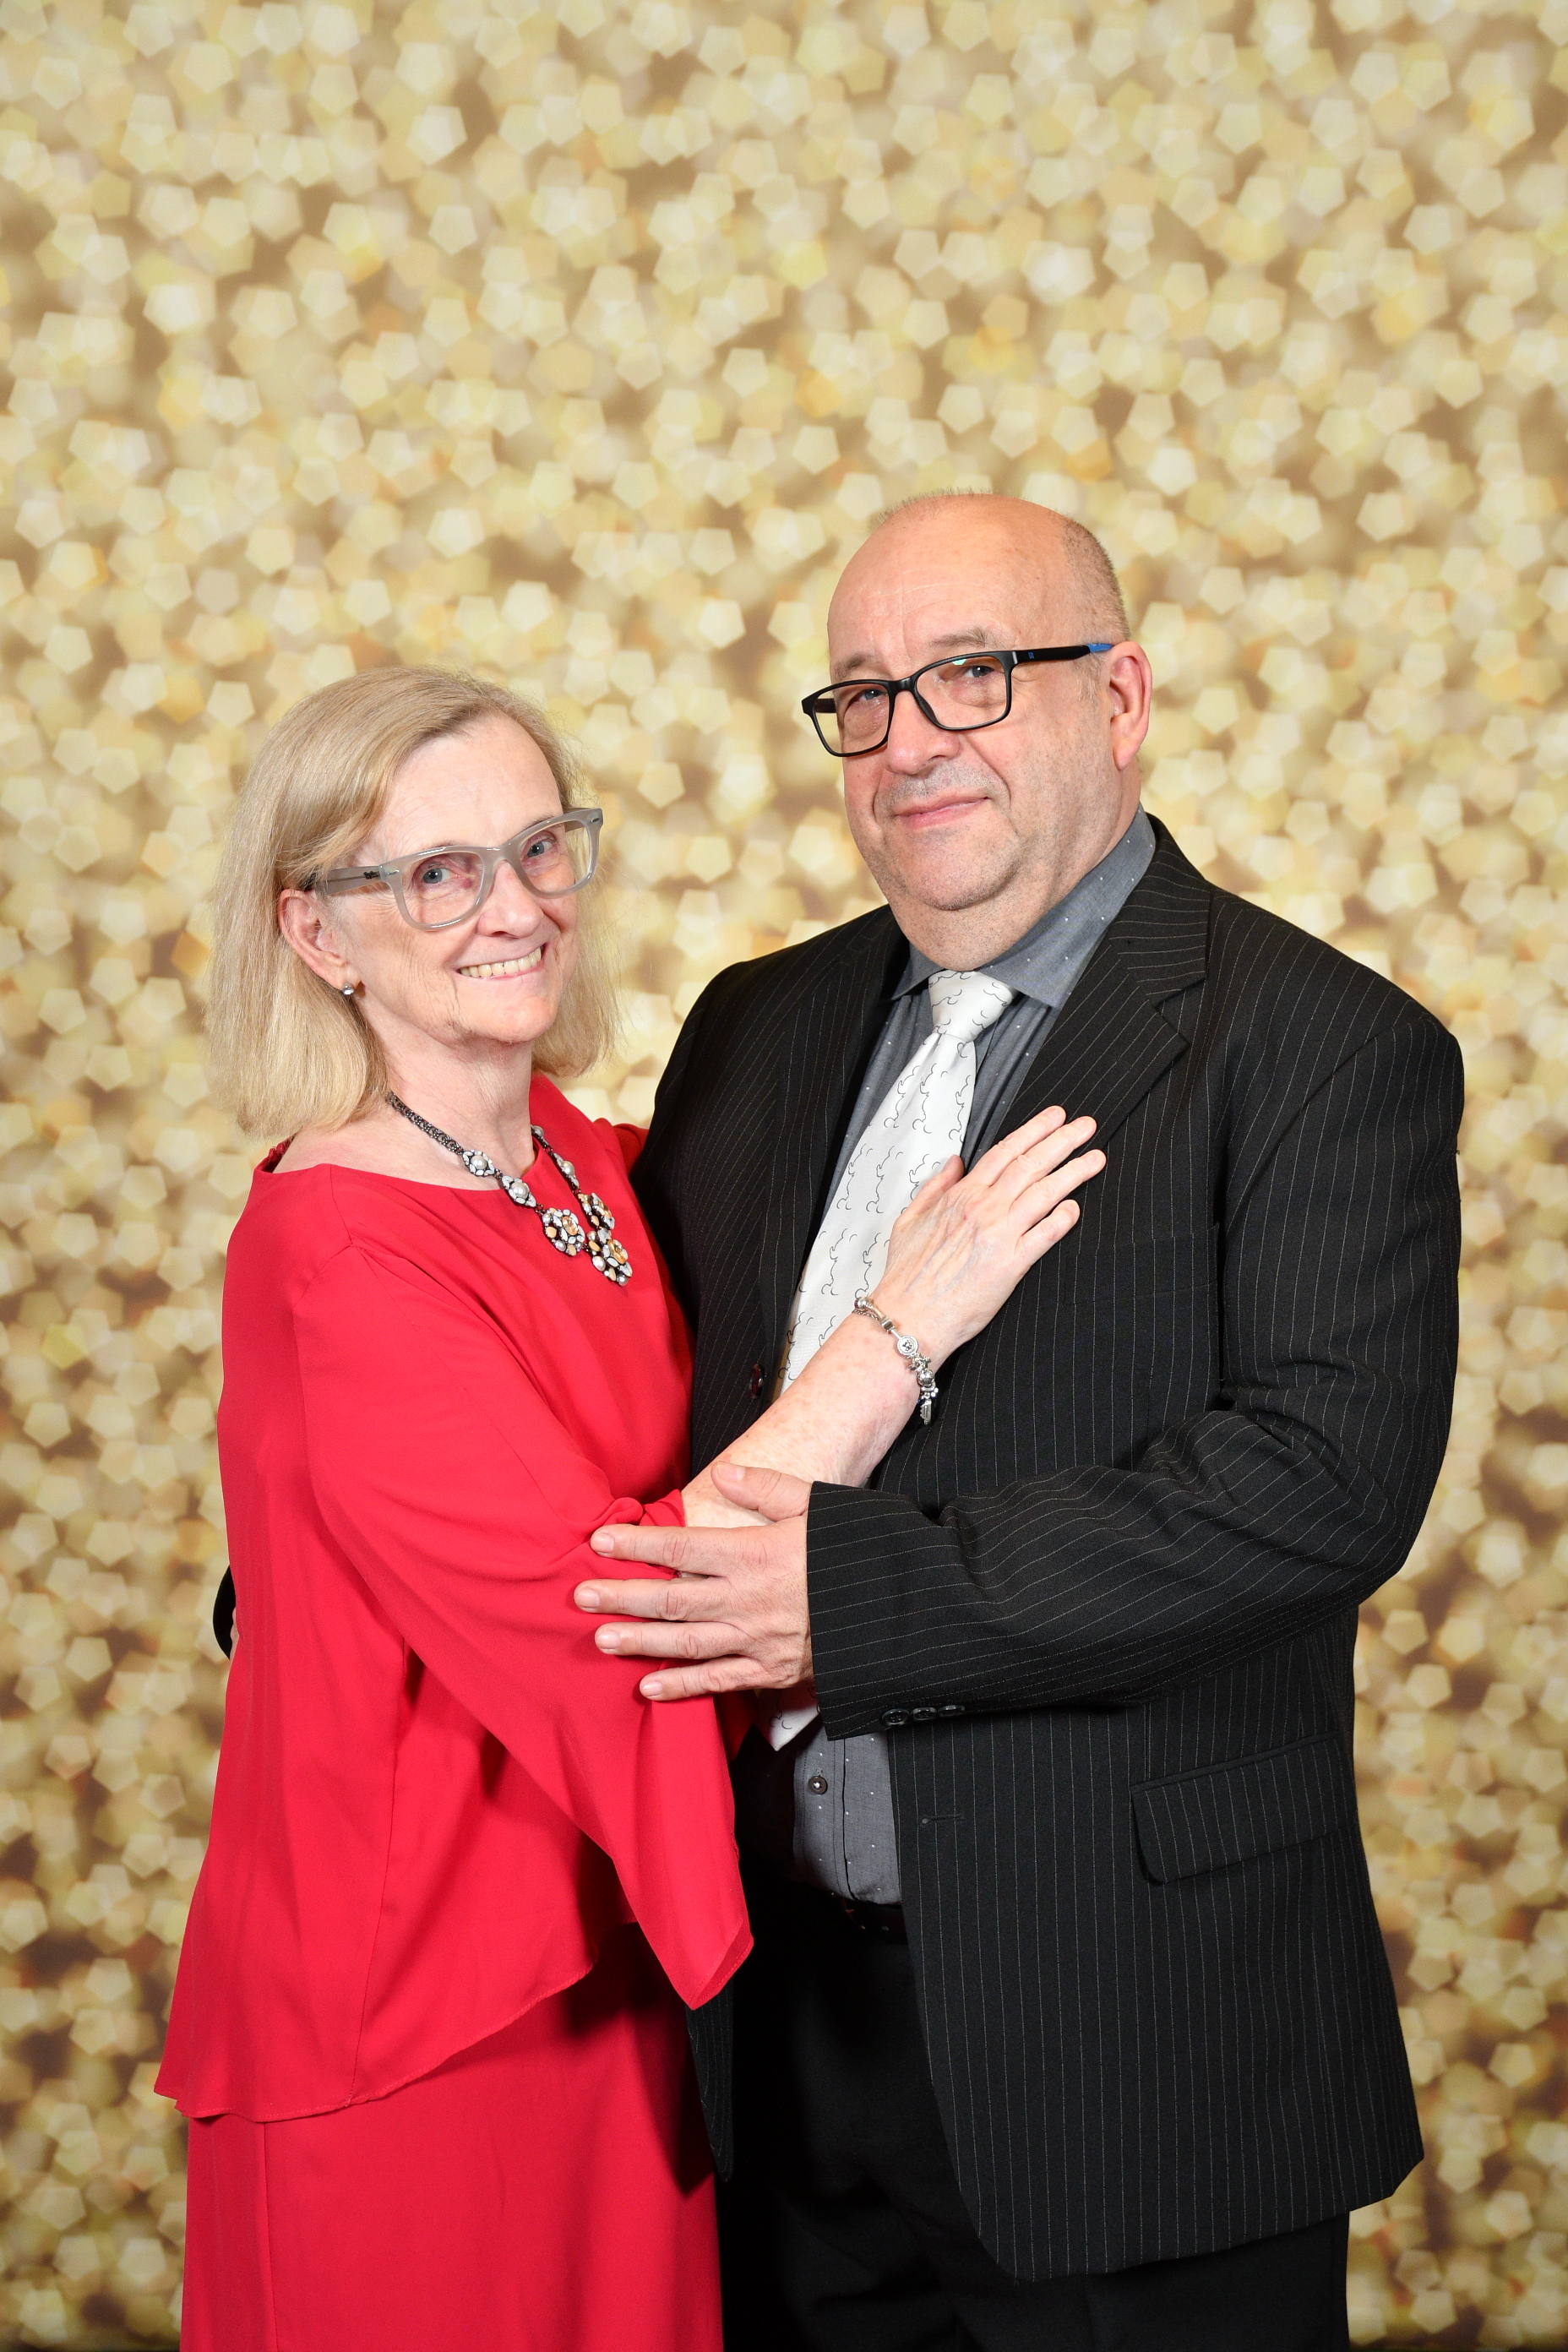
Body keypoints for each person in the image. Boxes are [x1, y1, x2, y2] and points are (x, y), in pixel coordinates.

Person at [580, 494, 1464, 2352]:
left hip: (1137, 2037)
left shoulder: (1324, 1045)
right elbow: (616, 1393)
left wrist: (849, 1602)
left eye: (972, 675)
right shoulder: (752, 1027)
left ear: (1119, 699)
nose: (910, 741)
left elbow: (1318, 1486)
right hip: (768, 2037)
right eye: (864, 694)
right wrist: (356, 1554)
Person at [160, 661, 1106, 2352]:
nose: (511, 907)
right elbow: (631, 1606)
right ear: (318, 932)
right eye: (435, 873)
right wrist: (906, 1320)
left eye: (539, 847)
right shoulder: (331, 1249)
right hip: (424, 2011)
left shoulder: (583, 1163)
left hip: (610, 1989)